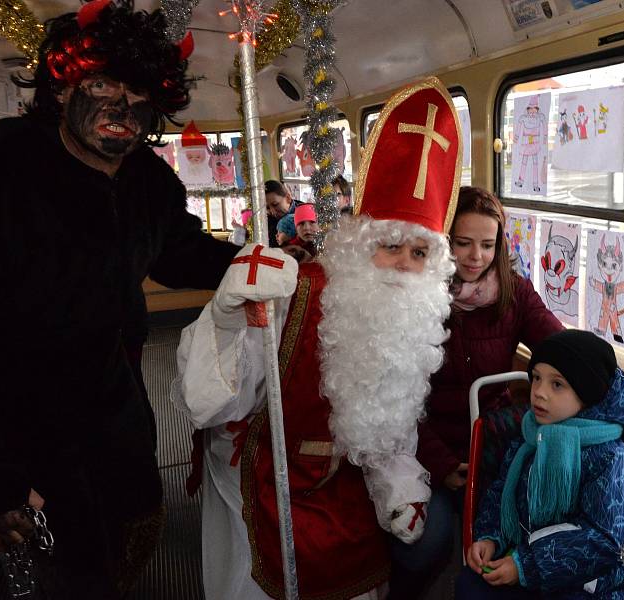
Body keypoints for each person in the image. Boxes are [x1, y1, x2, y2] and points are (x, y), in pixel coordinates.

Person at [0, 1, 239, 598]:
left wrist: (263, 264)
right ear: (63, 89)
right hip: (15, 428)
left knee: (117, 555)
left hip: (116, 411)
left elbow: (181, 250)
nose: (121, 106)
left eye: (138, 93)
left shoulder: (145, 179)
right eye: (103, 84)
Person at [173, 76, 463, 600]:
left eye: (418, 254)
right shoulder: (290, 295)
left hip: (346, 486)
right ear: (357, 245)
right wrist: (227, 319)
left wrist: (398, 481)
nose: (402, 266)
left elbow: (391, 424)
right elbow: (209, 405)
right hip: (266, 474)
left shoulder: (412, 319)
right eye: (390, 246)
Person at [391, 187, 562, 598]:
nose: (475, 257)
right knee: (426, 543)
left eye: (487, 245)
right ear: (442, 241)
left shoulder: (513, 292)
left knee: (520, 535)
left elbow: (559, 347)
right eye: (462, 243)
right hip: (426, 446)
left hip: (496, 444)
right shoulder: (414, 296)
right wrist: (443, 463)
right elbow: (399, 398)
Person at [456, 329, 624, 599]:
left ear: (586, 393)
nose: (539, 393)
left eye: (557, 384)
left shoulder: (610, 457)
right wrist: (490, 537)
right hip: (528, 558)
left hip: (592, 581)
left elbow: (604, 541)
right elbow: (502, 491)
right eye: (536, 378)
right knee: (469, 585)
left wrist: (525, 566)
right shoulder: (531, 436)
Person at [265, 179, 296, 247]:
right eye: (267, 208)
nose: (272, 212)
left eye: (275, 204)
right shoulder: (266, 222)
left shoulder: (305, 216)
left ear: (288, 198)